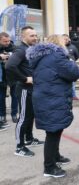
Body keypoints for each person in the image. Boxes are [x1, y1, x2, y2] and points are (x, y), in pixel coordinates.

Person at [26, 34, 79, 177]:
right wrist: (71, 60)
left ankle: (55, 157)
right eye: (64, 41)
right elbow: (74, 73)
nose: (66, 44)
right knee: (53, 133)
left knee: (55, 130)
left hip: (47, 97)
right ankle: (49, 168)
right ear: (58, 43)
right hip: (52, 99)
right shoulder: (57, 56)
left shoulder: (42, 57)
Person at [6, 26, 44, 157]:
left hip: (32, 89)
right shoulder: (20, 50)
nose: (35, 37)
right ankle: (19, 147)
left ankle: (29, 139)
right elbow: (10, 66)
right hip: (23, 89)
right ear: (23, 37)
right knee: (23, 118)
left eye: (35, 35)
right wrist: (24, 79)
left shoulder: (29, 49)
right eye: (31, 36)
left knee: (30, 115)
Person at [0, 32, 18, 128]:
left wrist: (10, 56)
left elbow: (18, 57)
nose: (7, 43)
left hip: (12, 75)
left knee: (14, 95)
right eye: (4, 41)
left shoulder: (13, 47)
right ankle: (2, 115)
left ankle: (14, 114)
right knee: (1, 97)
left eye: (8, 41)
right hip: (1, 76)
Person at [63, 34, 79, 100]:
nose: (66, 40)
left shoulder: (73, 47)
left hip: (71, 67)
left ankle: (73, 95)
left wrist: (72, 61)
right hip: (63, 67)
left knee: (73, 83)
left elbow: (77, 56)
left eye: (67, 39)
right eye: (64, 39)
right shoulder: (60, 47)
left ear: (69, 39)